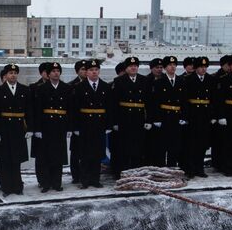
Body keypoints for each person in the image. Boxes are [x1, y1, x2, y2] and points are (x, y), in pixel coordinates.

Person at [70, 58, 111, 187]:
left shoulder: (105, 86)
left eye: (96, 70)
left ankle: (95, 179)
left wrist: (108, 125)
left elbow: (110, 107)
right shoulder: (79, 87)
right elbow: (74, 108)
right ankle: (84, 180)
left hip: (99, 123)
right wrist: (75, 126)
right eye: (91, 70)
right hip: (85, 124)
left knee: (97, 153)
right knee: (85, 153)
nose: (94, 72)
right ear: (86, 72)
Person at [0, 63, 30, 195]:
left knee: (16, 159)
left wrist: (30, 128)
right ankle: (6, 186)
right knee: (3, 160)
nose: (13, 75)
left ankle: (17, 186)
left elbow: (29, 111)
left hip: (18, 128)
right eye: (10, 73)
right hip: (3, 129)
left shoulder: (25, 90)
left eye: (15, 73)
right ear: (6, 75)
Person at [31, 61, 70, 191]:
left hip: (60, 125)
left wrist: (69, 127)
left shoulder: (66, 88)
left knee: (58, 156)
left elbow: (70, 109)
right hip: (46, 125)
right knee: (45, 156)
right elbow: (37, 110)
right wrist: (37, 129)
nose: (56, 73)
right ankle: (46, 183)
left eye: (58, 71)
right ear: (48, 74)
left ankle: (57, 183)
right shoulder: (41, 88)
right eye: (53, 71)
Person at [109, 55, 149, 175]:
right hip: (124, 118)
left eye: (135, 66)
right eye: (131, 66)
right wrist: (114, 122)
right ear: (126, 68)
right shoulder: (119, 81)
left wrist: (149, 120)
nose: (133, 68)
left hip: (139, 118)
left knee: (138, 146)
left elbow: (149, 101)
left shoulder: (144, 80)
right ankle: (123, 172)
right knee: (124, 148)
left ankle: (137, 172)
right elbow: (114, 103)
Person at [179, 56, 213, 177]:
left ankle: (200, 168)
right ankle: (190, 169)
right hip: (193, 115)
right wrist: (184, 117)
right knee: (191, 144)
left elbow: (213, 99)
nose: (203, 69)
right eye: (201, 67)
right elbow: (184, 99)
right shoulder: (188, 79)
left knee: (202, 144)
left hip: (205, 115)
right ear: (196, 68)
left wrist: (212, 115)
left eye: (205, 67)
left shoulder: (210, 79)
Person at [150, 55, 185, 168]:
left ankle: (172, 167)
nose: (172, 67)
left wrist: (183, 116)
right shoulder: (159, 82)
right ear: (165, 67)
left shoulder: (181, 81)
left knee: (175, 145)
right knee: (162, 145)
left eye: (174, 65)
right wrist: (156, 118)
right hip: (164, 117)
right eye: (170, 65)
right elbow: (155, 102)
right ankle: (161, 168)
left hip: (176, 117)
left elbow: (184, 101)